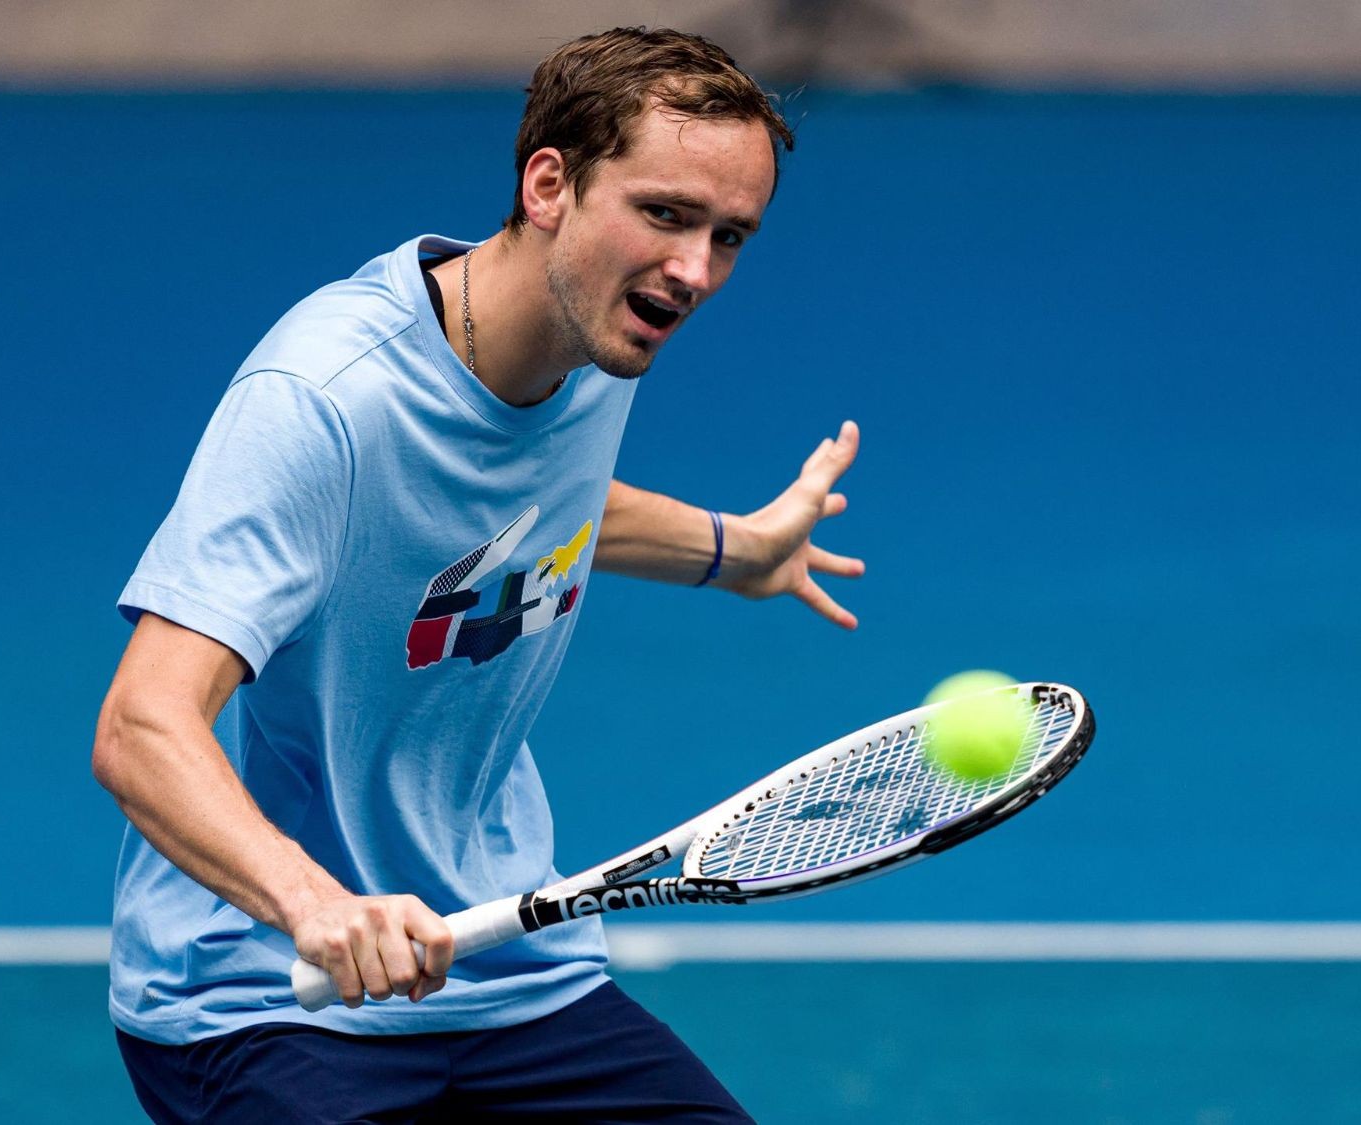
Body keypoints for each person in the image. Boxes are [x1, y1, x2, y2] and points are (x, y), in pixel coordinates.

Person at [93, 26, 864, 1123]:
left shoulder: (596, 341)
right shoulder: (324, 402)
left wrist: (733, 552)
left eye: (728, 235)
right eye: (664, 214)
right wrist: (318, 906)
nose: (695, 271)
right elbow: (142, 726)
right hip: (268, 991)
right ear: (549, 185)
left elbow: (525, 505)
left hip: (507, 967)